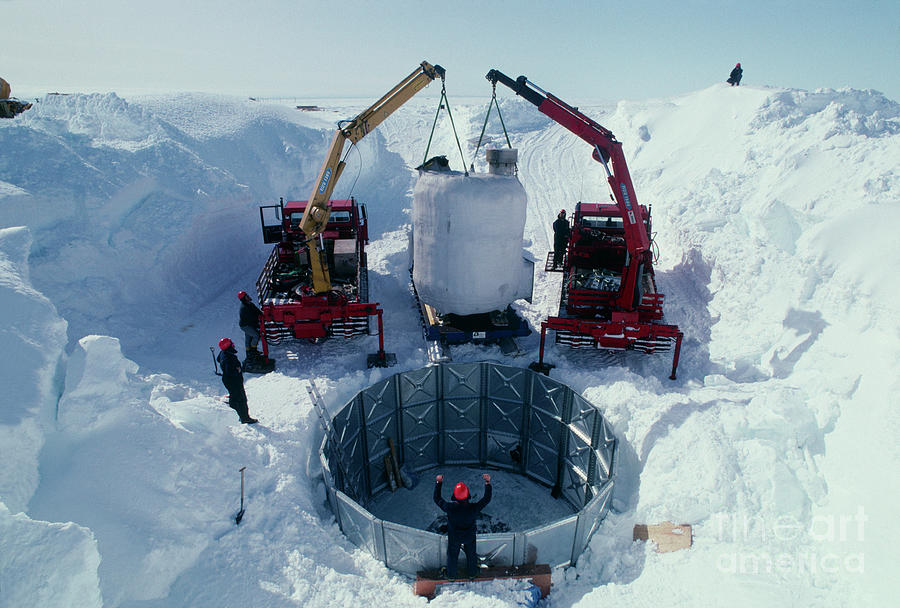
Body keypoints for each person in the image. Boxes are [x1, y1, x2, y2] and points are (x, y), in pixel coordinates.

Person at [433, 473, 492, 580]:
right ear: (467, 495)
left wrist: (439, 483)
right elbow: (486, 499)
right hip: (469, 536)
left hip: (454, 536)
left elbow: (437, 498)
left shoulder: (450, 508)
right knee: (471, 554)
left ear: (455, 496)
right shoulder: (473, 508)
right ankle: (472, 573)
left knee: (452, 555)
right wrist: (487, 483)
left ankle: (451, 575)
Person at [216, 337, 258, 424]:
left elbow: (218, 359)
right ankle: (245, 418)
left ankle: (234, 415)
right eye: (231, 343)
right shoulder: (228, 357)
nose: (233, 345)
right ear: (228, 346)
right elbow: (230, 370)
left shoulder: (224, 353)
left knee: (234, 397)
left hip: (228, 380)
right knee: (241, 399)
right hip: (233, 381)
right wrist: (237, 369)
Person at [238, 291, 263, 361]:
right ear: (244, 299)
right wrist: (257, 322)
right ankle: (253, 351)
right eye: (246, 296)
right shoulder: (244, 308)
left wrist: (261, 314)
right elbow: (251, 318)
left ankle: (249, 353)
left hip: (248, 324)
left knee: (248, 338)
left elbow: (256, 310)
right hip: (245, 325)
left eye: (247, 295)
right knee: (256, 336)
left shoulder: (249, 304)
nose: (248, 296)